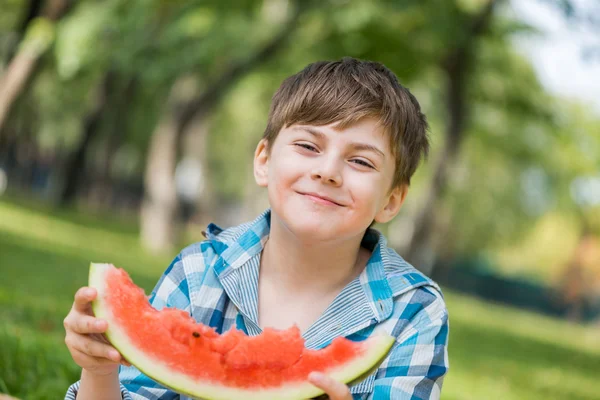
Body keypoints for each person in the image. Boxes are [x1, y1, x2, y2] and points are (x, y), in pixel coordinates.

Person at [63, 57, 449, 400]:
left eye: (361, 162)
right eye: (308, 146)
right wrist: (100, 370)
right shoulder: (198, 274)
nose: (327, 171)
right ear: (264, 160)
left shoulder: (414, 312)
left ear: (392, 200)